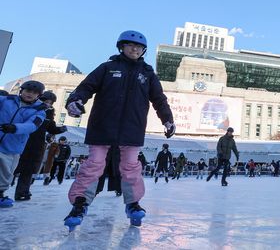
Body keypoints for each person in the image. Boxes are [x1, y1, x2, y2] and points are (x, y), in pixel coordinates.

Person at [63, 31, 175, 230]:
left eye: (139, 47)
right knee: (94, 164)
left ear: (143, 51)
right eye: (130, 45)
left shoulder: (147, 73)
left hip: (132, 128)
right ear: (121, 47)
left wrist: (168, 120)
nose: (135, 49)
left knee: (131, 166)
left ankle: (133, 204)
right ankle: (79, 203)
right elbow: (86, 87)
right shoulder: (108, 67)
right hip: (102, 125)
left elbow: (159, 99)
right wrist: (75, 100)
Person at [0, 81, 47, 208]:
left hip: (13, 146)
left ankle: (0, 192)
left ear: (38, 95)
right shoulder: (7, 100)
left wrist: (15, 128)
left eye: (34, 93)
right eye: (27, 91)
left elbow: (32, 125)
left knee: (6, 170)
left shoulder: (39, 110)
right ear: (21, 91)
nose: (29, 94)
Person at [13, 91, 67, 201]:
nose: (48, 104)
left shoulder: (49, 113)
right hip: (22, 140)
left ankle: (22, 191)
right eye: (46, 101)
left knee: (28, 168)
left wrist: (60, 129)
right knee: (12, 165)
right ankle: (4, 187)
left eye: (50, 103)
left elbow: (51, 128)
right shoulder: (30, 108)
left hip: (36, 144)